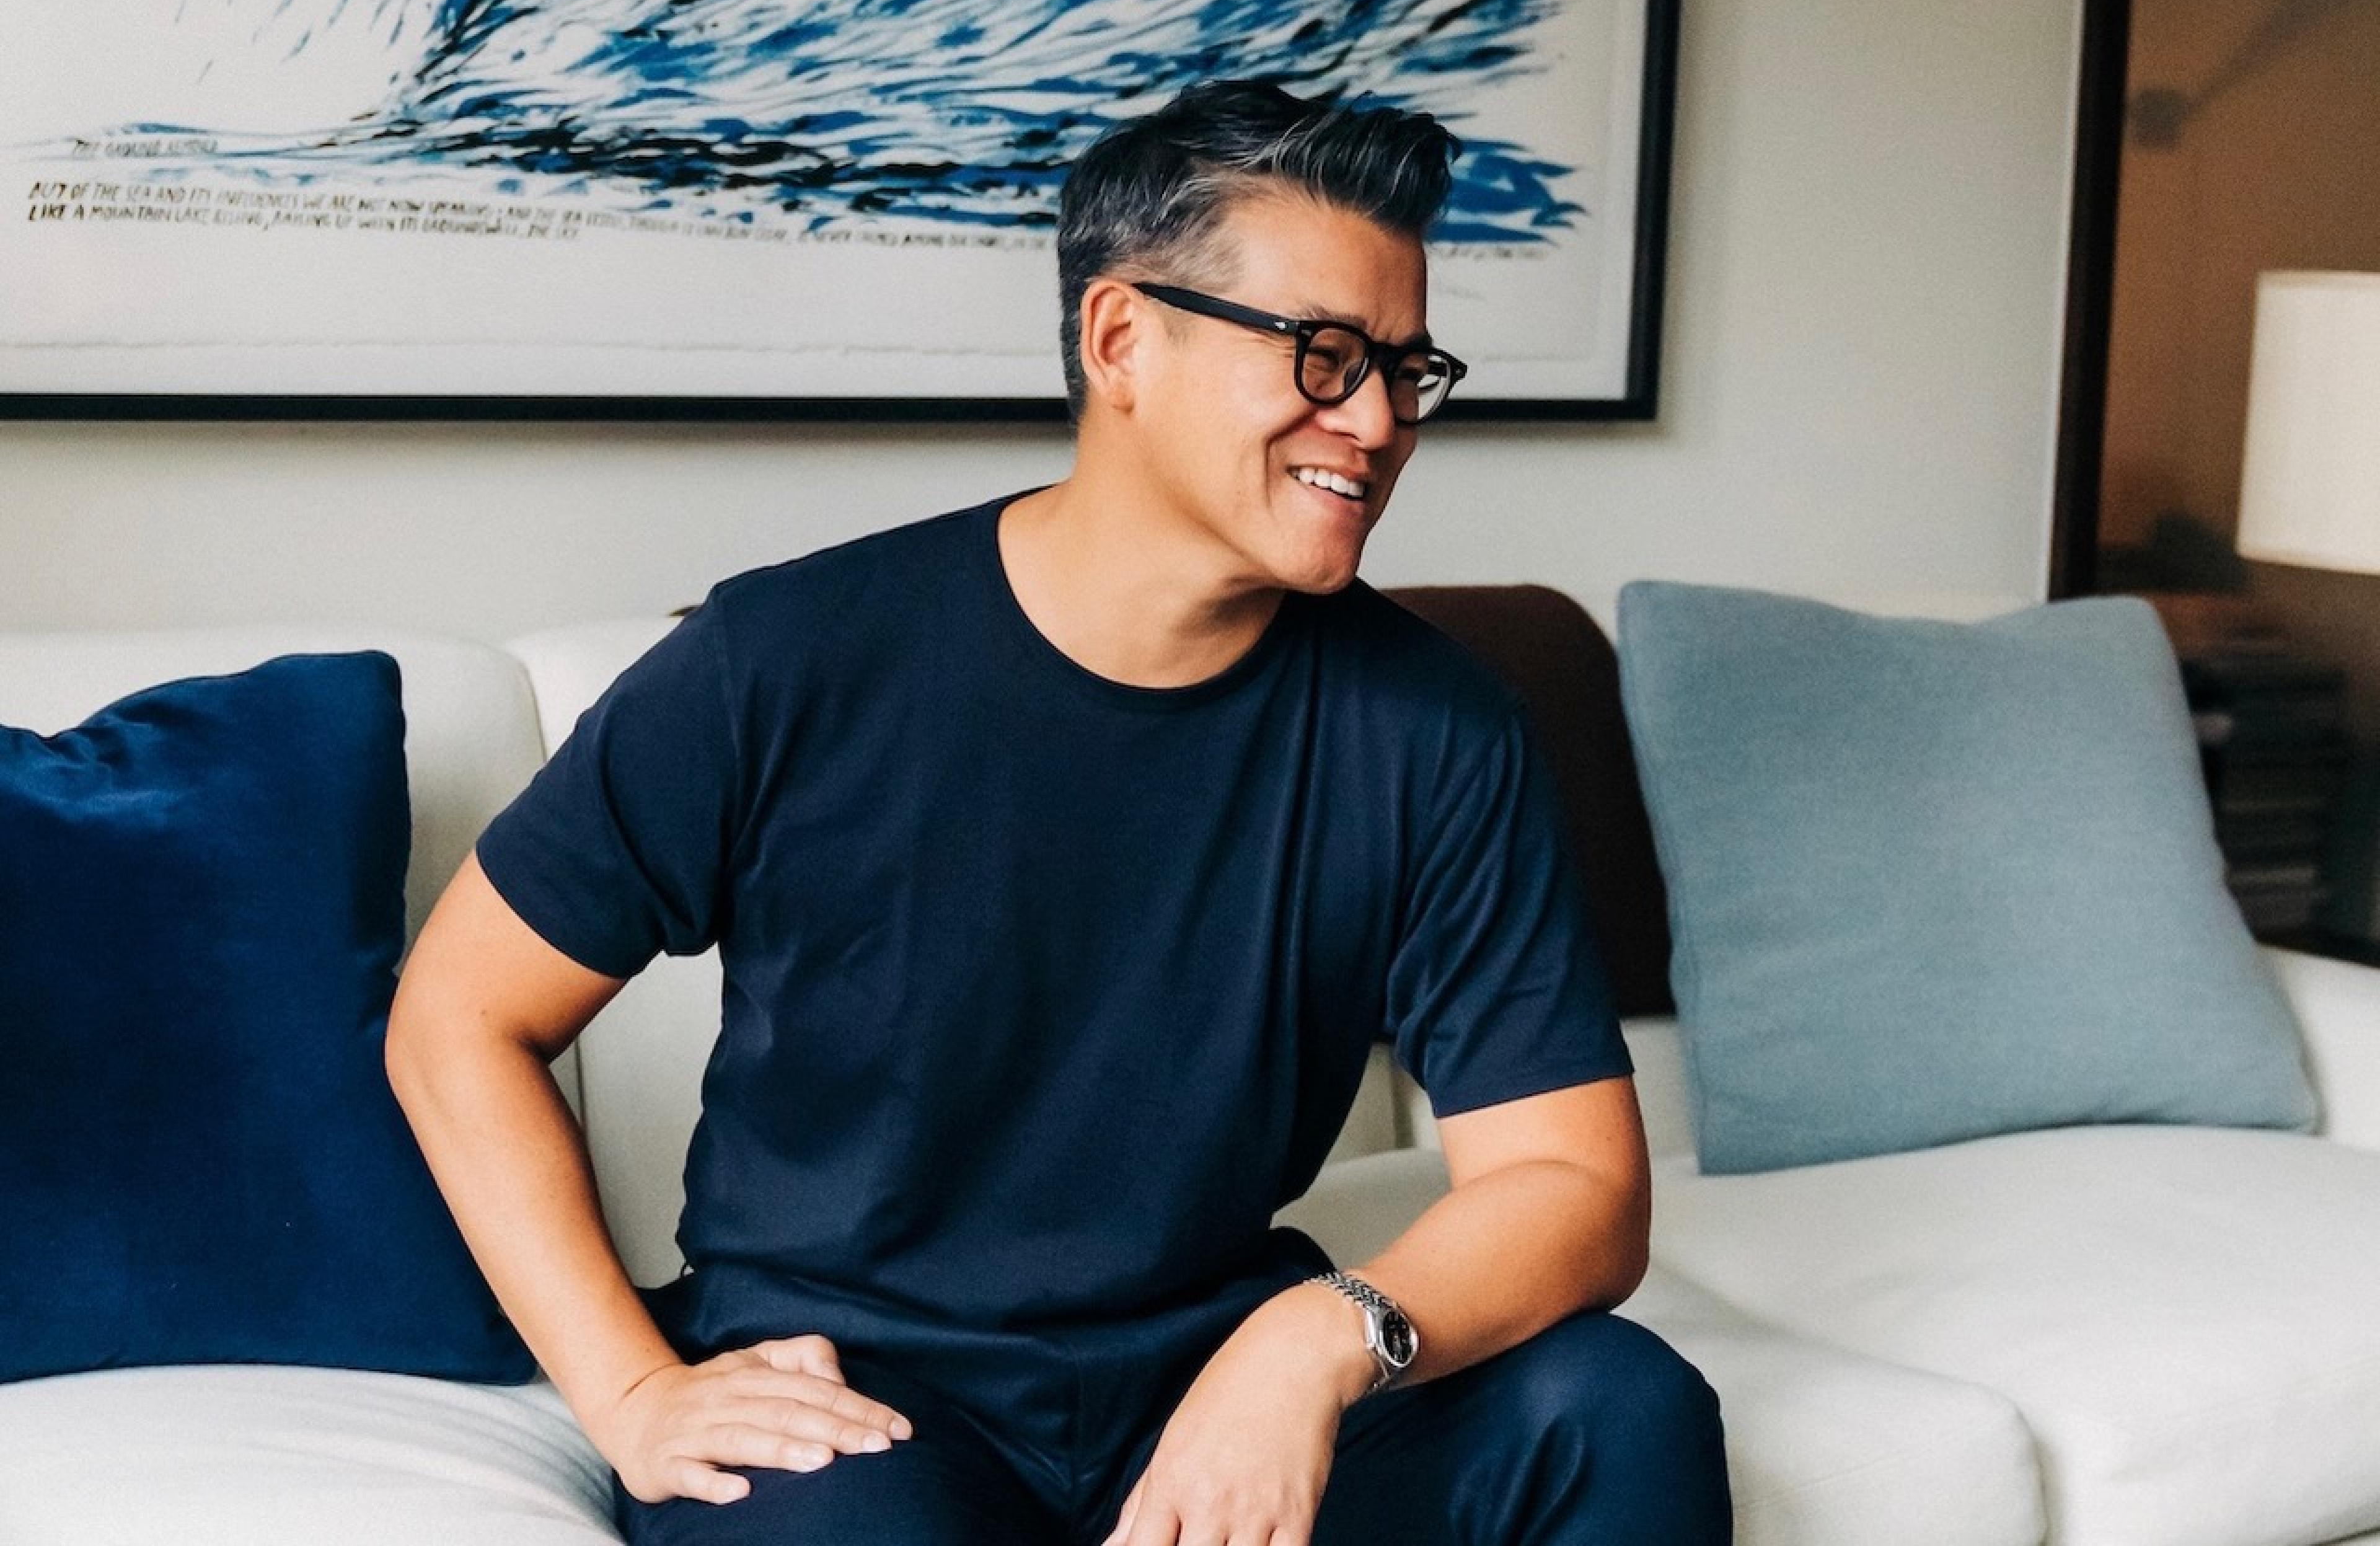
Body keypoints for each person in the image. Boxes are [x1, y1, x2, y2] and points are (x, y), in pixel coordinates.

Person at [387, 79, 1731, 1546]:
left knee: (1617, 1406)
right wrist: (631, 1385)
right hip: (857, 1399)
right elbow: (458, 1013)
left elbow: (1574, 1180)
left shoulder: (1437, 729)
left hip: (1211, 1364)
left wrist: (1310, 1345)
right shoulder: (785, 658)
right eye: (1327, 354)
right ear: (1121, 339)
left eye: (1409, 369)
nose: (1378, 421)